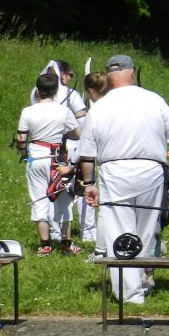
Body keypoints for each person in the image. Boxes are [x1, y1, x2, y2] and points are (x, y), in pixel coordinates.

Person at [79, 54, 169, 306]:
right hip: (150, 169)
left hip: (115, 170)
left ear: (109, 77)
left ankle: (129, 292)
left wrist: (89, 184)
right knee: (146, 229)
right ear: (132, 73)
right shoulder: (154, 100)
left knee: (118, 230)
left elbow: (87, 154)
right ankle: (141, 281)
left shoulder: (99, 107)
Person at [16, 71, 81, 256]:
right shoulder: (63, 111)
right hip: (58, 158)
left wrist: (24, 154)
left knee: (39, 199)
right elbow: (78, 134)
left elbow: (21, 138)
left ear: (37, 91)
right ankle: (66, 243)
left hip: (36, 156)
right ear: (55, 91)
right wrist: (64, 132)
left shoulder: (28, 111)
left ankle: (45, 245)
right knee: (64, 200)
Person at [73, 71, 106, 250]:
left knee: (93, 195)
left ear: (91, 91)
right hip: (106, 160)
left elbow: (86, 144)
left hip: (98, 160)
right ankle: (92, 232)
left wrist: (72, 162)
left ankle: (93, 235)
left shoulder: (95, 112)